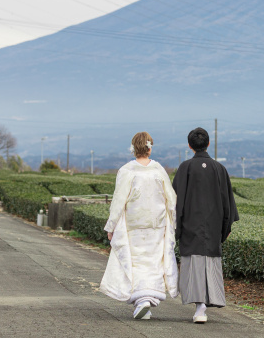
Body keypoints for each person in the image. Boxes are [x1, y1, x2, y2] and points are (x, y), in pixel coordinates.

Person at [99, 132, 178, 320]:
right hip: (156, 225)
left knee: (135, 262)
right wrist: (174, 223)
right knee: (153, 262)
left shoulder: (127, 171)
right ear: (150, 148)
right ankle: (148, 299)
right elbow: (171, 199)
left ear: (133, 148)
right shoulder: (159, 170)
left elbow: (118, 202)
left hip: (134, 225)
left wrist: (111, 226)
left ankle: (141, 301)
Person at [172, 127, 239, 323]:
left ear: (189, 146)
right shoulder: (220, 169)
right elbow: (228, 203)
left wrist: (176, 228)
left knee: (193, 263)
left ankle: (199, 307)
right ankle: (204, 306)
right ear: (208, 144)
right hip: (212, 226)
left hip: (190, 225)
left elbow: (176, 200)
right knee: (209, 262)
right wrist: (225, 228)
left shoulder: (185, 168)